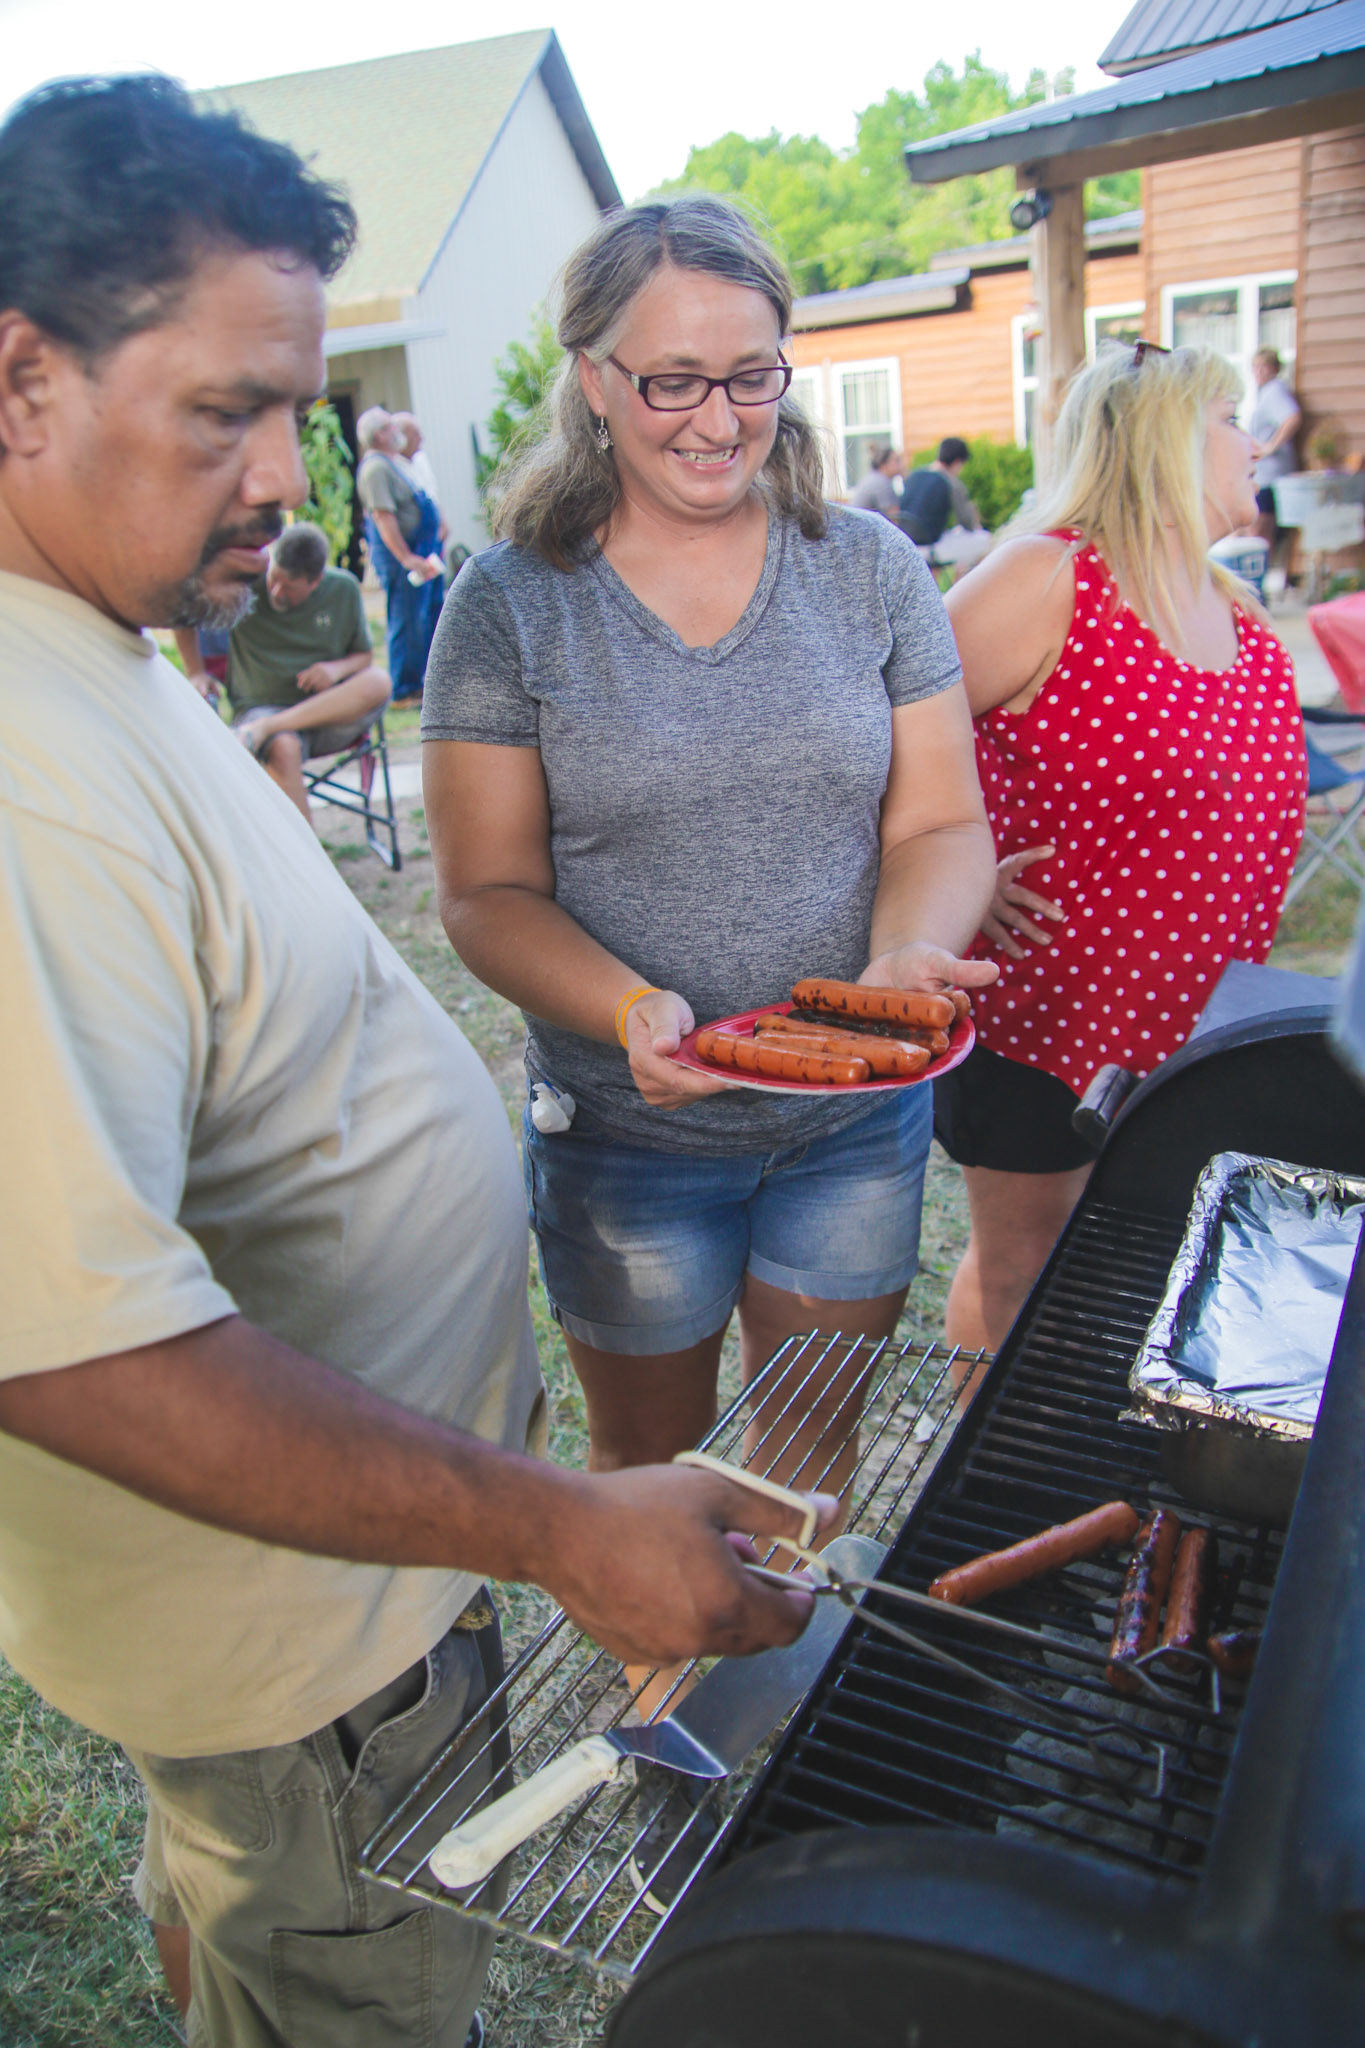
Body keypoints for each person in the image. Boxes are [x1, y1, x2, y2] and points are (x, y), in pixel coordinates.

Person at [0, 78, 832, 2048]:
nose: (280, 478)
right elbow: (67, 1347)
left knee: (250, 1946)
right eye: (225, 411)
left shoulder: (90, 635)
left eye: (295, 411)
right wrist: (557, 1526)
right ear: (21, 376)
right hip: (301, 1655)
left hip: (345, 1603)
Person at [421, 196, 997, 1526]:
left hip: (851, 1119)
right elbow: (486, 892)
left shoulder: (870, 569)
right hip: (630, 1140)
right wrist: (627, 1006)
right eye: (672, 380)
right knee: (649, 1478)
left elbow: (936, 823)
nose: (719, 419)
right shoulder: (511, 603)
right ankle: (668, 1668)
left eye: (750, 376)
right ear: (593, 379)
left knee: (807, 1466)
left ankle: (780, 1656)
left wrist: (903, 954)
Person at [932, 342, 1306, 1351]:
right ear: (1164, 438)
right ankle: (986, 1446)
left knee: (1135, 1266)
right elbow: (882, 730)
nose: (1257, 441)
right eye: (1231, 418)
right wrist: (954, 869)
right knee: (1025, 1267)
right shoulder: (1050, 576)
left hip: (1195, 1024)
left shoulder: (1235, 607)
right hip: (1048, 1012)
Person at [175, 520, 389, 823]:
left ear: (315, 582)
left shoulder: (343, 589)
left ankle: (270, 727)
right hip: (261, 710)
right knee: (283, 748)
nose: (276, 591)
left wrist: (335, 669)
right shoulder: (245, 582)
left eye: (288, 587)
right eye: (274, 578)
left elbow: (364, 657)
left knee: (379, 680)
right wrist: (195, 671)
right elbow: (182, 604)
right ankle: (306, 854)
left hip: (328, 716)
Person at [356, 403, 443, 699]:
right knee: (406, 621)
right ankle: (403, 690)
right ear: (380, 434)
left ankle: (417, 683)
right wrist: (407, 558)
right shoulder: (375, 468)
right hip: (400, 556)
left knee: (420, 618)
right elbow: (383, 517)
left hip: (416, 549)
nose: (397, 431)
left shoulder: (391, 462)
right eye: (391, 426)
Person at [898, 437, 991, 575]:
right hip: (931, 548)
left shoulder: (914, 476)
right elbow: (967, 523)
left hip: (907, 545)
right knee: (985, 540)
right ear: (957, 462)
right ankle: (964, 585)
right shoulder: (950, 482)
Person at [1248, 347, 1302, 565]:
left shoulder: (1274, 391)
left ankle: (1260, 577)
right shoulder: (1266, 393)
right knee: (1260, 533)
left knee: (1259, 532)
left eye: (1264, 366)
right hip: (1265, 475)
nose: (1259, 371)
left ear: (1275, 368)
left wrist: (1271, 446)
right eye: (1255, 367)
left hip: (1270, 476)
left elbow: (1292, 418)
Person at [394, 407, 447, 537]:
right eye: (415, 434)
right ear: (401, 437)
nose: (421, 438)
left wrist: (443, 523)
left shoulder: (421, 458)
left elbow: (432, 493)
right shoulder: (393, 466)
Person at [850, 444, 904, 518]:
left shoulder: (872, 477)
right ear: (883, 464)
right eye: (896, 461)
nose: (901, 464)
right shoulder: (882, 483)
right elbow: (894, 517)